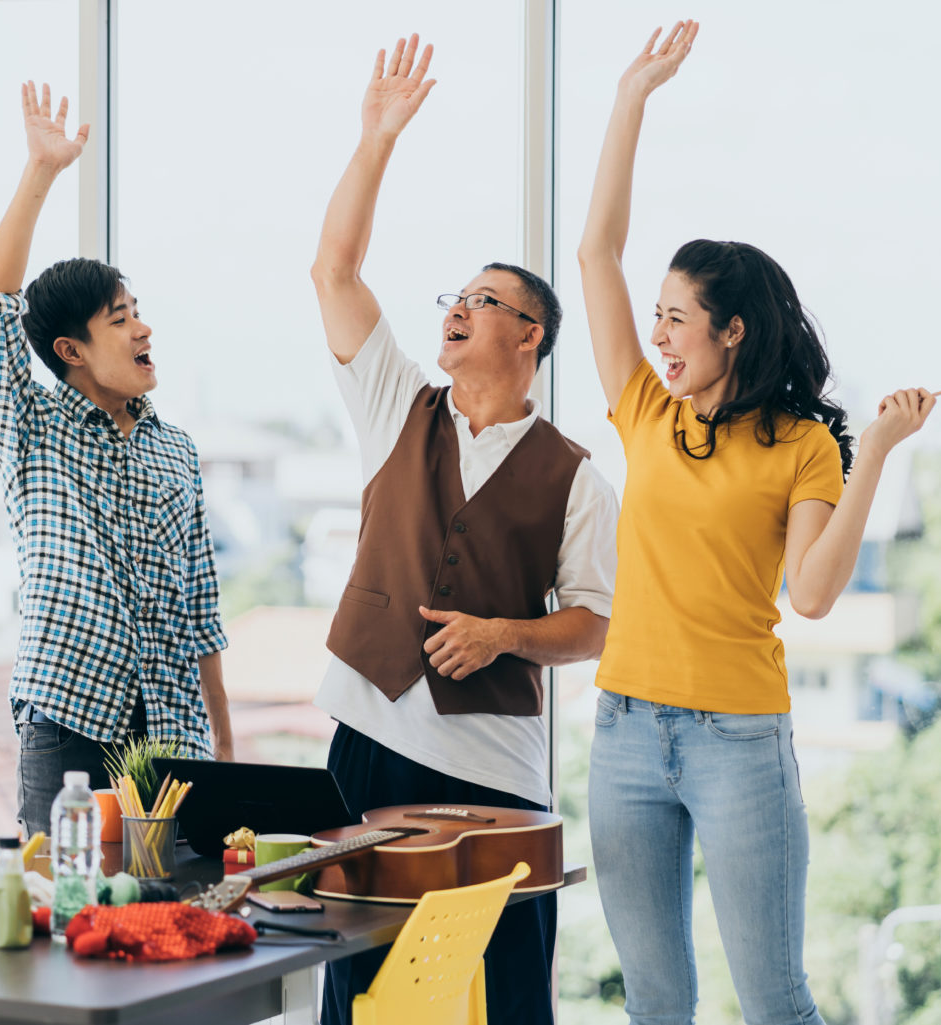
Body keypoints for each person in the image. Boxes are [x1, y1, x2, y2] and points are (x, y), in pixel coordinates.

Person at [577, 21, 936, 1025]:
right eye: (654, 319)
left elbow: (814, 594)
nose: (657, 337)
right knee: (654, 996)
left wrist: (878, 449)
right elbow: (595, 250)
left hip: (739, 737)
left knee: (774, 997)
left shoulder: (803, 445)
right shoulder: (646, 409)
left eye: (676, 320)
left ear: (731, 330)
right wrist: (630, 99)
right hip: (623, 734)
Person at [310, 36, 619, 1025]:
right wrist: (375, 140)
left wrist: (504, 636)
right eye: (456, 296)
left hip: (492, 763)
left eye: (484, 301)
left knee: (498, 991)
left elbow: (595, 625)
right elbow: (335, 269)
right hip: (367, 732)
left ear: (530, 335)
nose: (457, 310)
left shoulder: (576, 474)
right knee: (364, 989)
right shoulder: (398, 404)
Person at [0, 83, 233, 837]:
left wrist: (223, 731)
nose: (144, 328)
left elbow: (201, 608)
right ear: (70, 350)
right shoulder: (32, 430)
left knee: (173, 915)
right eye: (121, 319)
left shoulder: (176, 449)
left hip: (173, 730)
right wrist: (41, 174)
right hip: (70, 714)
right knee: (68, 914)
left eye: (138, 311)